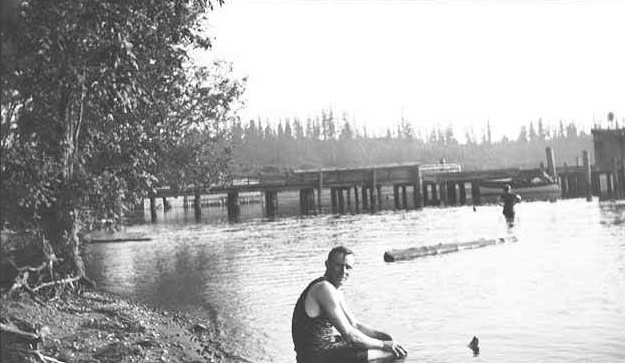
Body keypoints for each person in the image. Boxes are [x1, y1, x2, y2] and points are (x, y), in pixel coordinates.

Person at [292, 246, 408, 363]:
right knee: (392, 354)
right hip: (315, 357)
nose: (343, 272)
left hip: (324, 351)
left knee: (389, 343)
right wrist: (384, 345)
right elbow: (350, 336)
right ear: (327, 264)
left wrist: (385, 338)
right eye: (338, 265)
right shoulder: (323, 288)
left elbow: (355, 325)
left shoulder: (335, 290)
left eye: (348, 267)